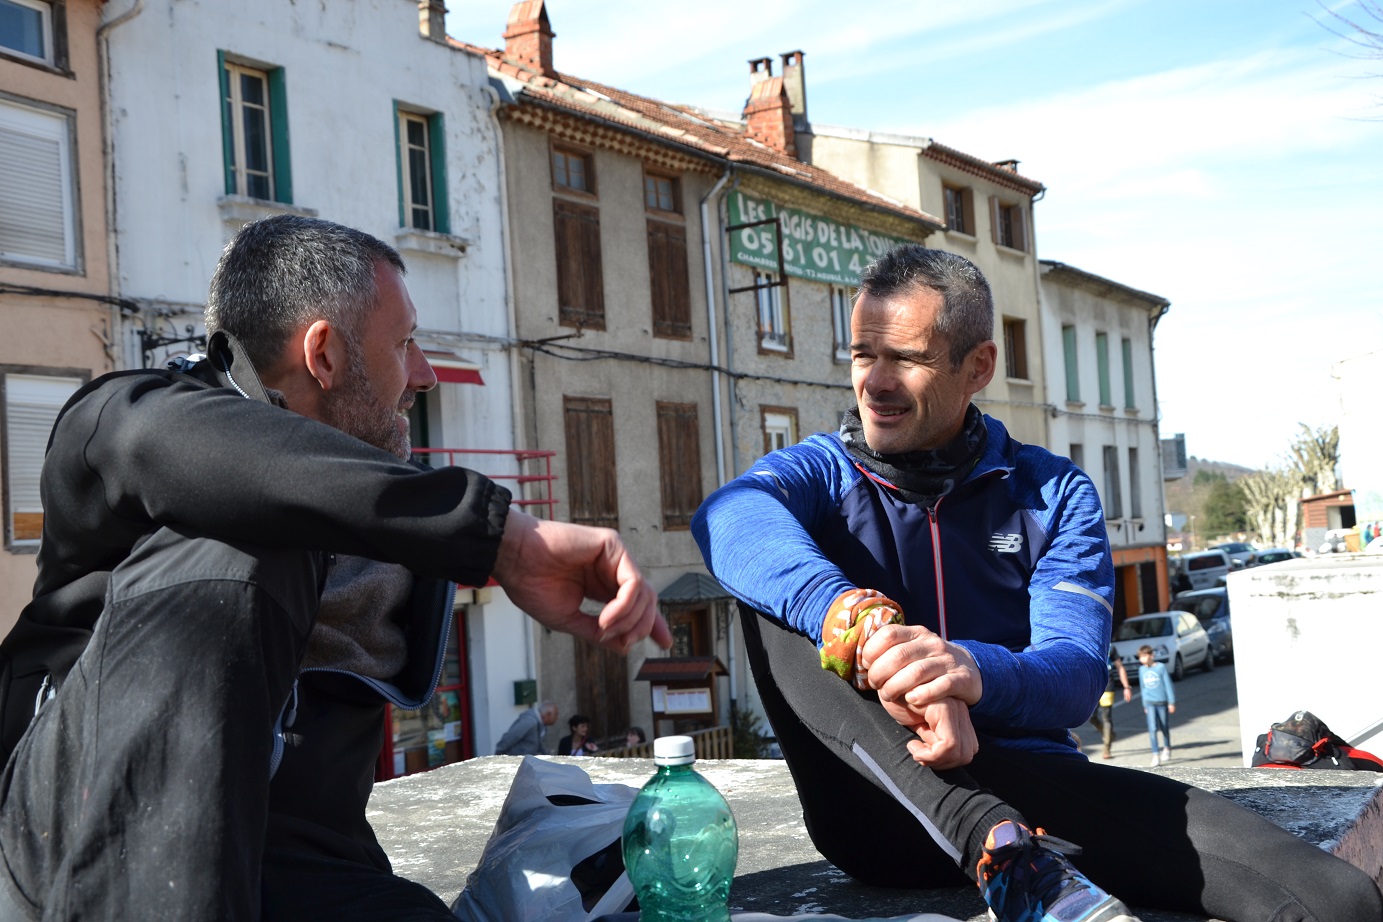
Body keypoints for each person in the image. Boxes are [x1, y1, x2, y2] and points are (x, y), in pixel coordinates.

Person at [0, 215, 671, 922]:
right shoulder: (123, 420)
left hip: (295, 873)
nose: (425, 375)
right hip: (72, 860)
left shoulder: (381, 516)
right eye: (405, 343)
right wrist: (503, 538)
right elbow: (190, 447)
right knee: (249, 537)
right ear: (323, 354)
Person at [692, 245, 1382, 922]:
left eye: (904, 358)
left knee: (1335, 898)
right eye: (861, 355)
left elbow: (1075, 675)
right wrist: (863, 624)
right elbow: (726, 518)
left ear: (978, 366)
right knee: (774, 577)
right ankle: (990, 844)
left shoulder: (1051, 493)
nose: (874, 383)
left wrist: (964, 673)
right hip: (880, 805)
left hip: (1035, 792)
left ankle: (1018, 859)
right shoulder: (819, 477)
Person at [1088, 646, 1131, 759]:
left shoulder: (1111, 648)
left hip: (1108, 686)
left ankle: (1106, 747)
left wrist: (1126, 687)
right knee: (1091, 717)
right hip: (1093, 687)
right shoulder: (1090, 644)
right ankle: (1108, 734)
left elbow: (1120, 667)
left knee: (1106, 717)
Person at [1135, 647, 1175, 766]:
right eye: (1140, 657)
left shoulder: (1160, 667)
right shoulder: (1141, 670)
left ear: (1151, 655)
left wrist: (1171, 702)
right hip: (1149, 702)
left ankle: (1167, 747)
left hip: (1162, 702)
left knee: (1164, 726)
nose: (1142, 659)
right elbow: (1143, 688)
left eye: (1144, 656)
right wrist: (1144, 704)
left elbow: (1168, 685)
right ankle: (1155, 754)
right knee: (1152, 729)